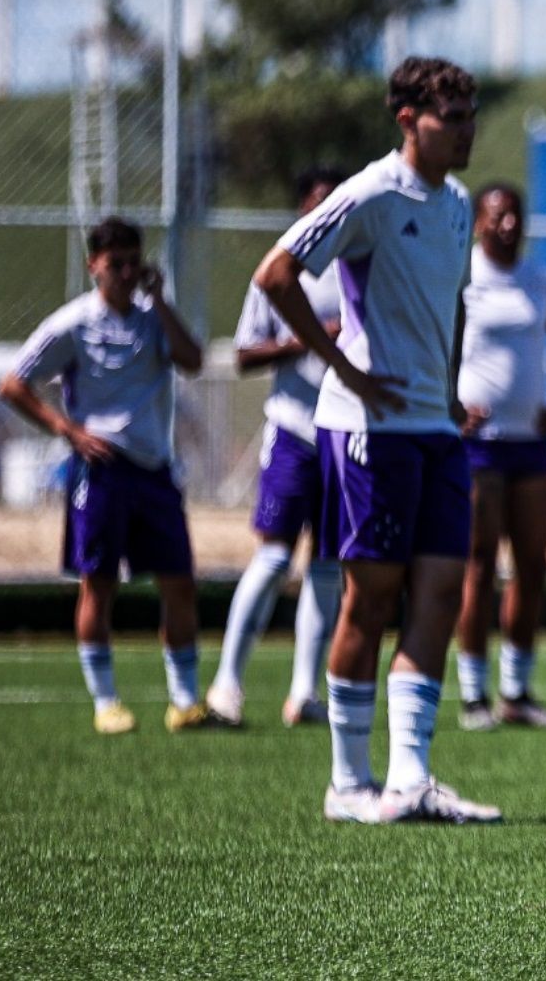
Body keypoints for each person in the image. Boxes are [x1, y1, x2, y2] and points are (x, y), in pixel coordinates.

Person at [252, 55, 500, 824]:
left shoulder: (458, 204)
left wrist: (452, 387)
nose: (465, 131)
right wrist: (345, 371)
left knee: (438, 594)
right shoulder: (369, 194)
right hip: (367, 430)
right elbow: (276, 274)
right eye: (449, 118)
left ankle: (411, 780)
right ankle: (347, 784)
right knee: (369, 598)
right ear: (407, 121)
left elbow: (453, 307)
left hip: (433, 426)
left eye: (469, 116)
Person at [0, 216, 210, 734]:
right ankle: (105, 701)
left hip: (155, 469)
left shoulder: (152, 318)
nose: (126, 273)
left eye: (134, 262)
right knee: (99, 583)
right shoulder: (73, 323)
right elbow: (13, 384)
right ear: (93, 265)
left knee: (179, 583)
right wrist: (67, 429)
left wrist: (160, 300)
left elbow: (193, 360)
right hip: (102, 470)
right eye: (115, 264)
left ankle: (184, 702)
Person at [207, 167, 348, 728]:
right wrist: (308, 341)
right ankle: (226, 687)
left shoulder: (361, 269)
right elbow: (244, 355)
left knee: (329, 567)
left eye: (335, 207)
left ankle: (303, 693)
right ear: (299, 211)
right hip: (294, 431)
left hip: (348, 435)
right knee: (271, 557)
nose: (325, 218)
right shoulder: (278, 270)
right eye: (316, 207)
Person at [454, 182, 546, 731]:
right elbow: (436, 346)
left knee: (532, 565)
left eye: (516, 215)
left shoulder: (544, 284)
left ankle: (516, 692)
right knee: (478, 566)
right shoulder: (461, 282)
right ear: (479, 222)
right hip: (478, 448)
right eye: (497, 215)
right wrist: (450, 409)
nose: (508, 224)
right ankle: (471, 695)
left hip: (530, 446)